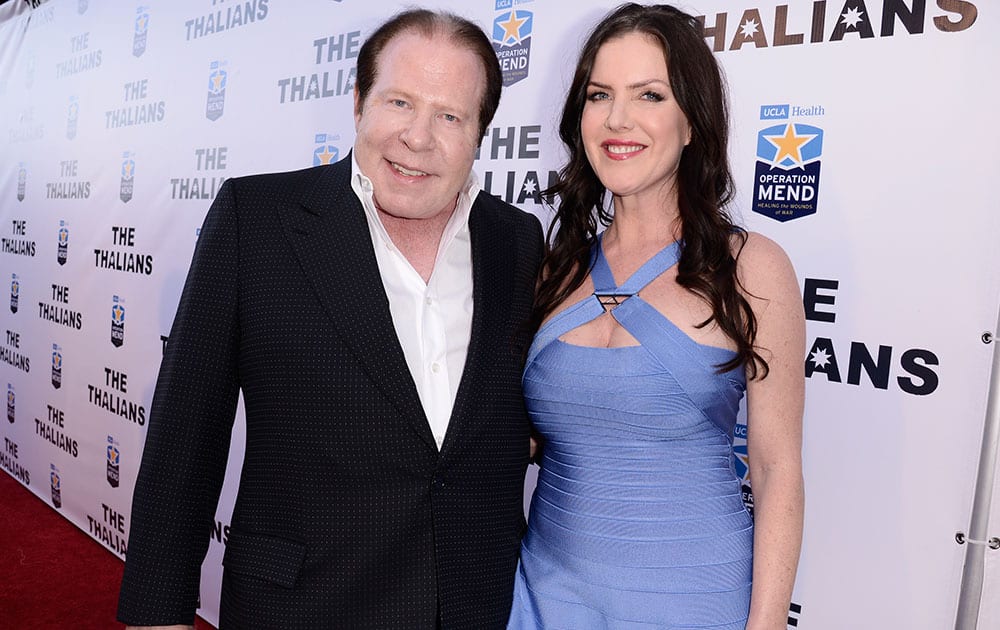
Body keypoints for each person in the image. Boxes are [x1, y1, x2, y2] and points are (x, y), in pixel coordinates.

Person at [117, 9, 543, 630]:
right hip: (303, 606)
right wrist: (159, 616)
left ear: (480, 133)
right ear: (358, 103)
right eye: (399, 102)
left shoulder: (517, 240)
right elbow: (186, 436)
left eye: (449, 115)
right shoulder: (256, 219)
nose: (417, 137)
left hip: (479, 606)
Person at [507, 4, 804, 629]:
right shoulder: (550, 268)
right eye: (599, 95)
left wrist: (769, 622)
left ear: (692, 121)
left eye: (649, 94)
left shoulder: (752, 267)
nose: (618, 119)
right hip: (543, 595)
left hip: (692, 601)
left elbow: (777, 469)